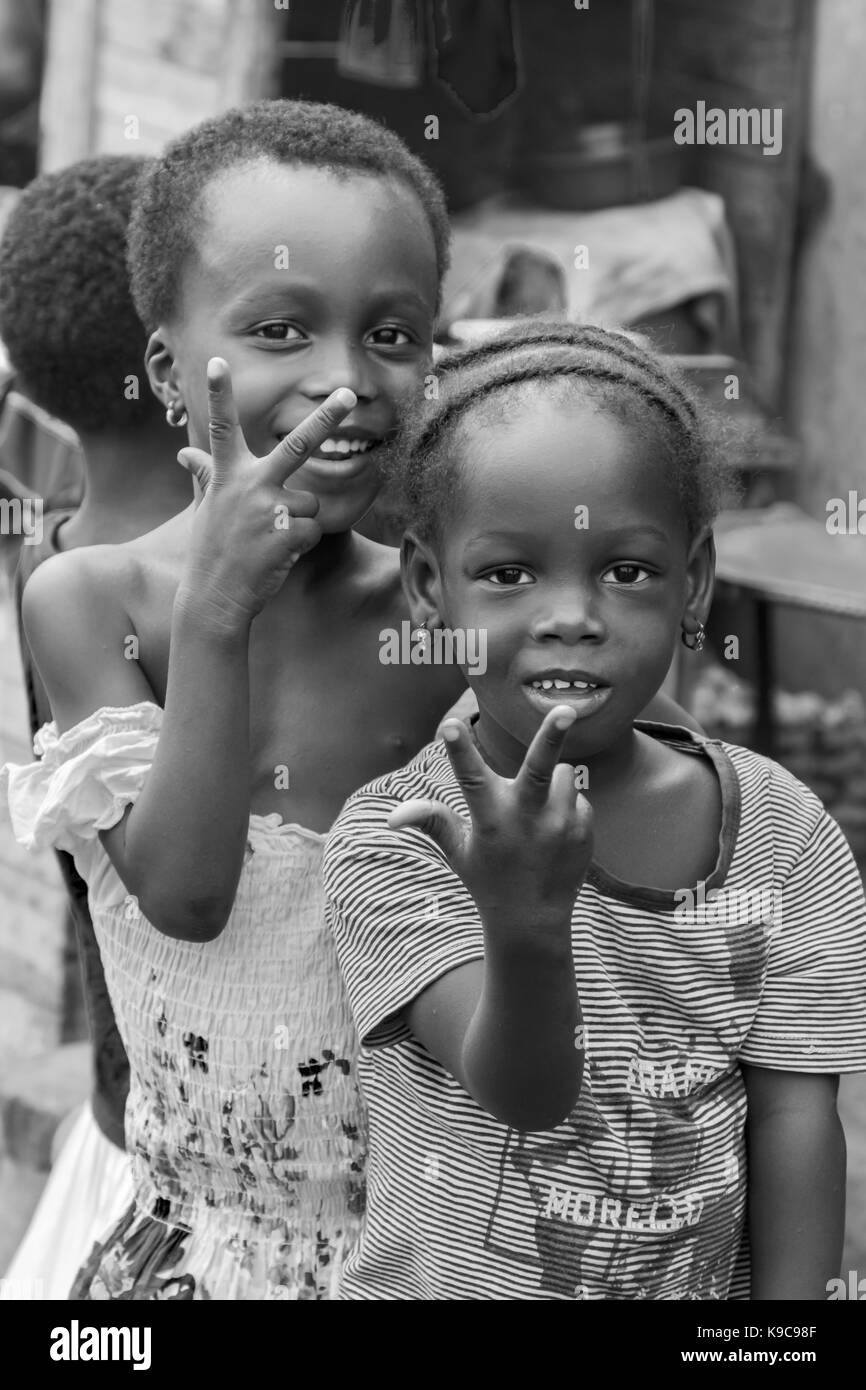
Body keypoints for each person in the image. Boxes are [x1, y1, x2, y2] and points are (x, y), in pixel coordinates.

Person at [2, 98, 464, 1300]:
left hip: (425, 1249)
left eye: (394, 334)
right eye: (278, 328)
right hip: (195, 1257)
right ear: (168, 364)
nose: (345, 381)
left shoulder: (441, 623)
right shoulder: (87, 599)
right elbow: (187, 895)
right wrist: (216, 613)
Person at [323, 320, 866, 1301]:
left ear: (691, 584)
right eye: (506, 573)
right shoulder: (396, 838)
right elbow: (526, 1091)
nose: (570, 613)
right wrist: (524, 926)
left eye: (625, 571)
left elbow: (794, 1116)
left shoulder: (782, 832)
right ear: (426, 588)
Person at [0, 154, 193, 1299]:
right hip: (213, 1161)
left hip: (123, 1141)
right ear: (181, 355)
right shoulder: (209, 588)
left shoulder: (53, 566)